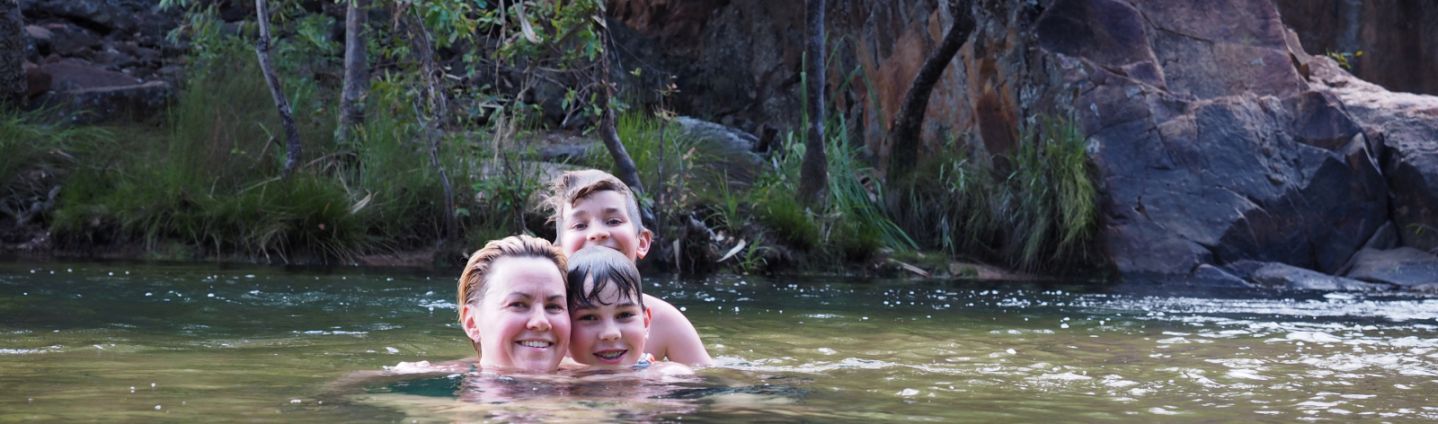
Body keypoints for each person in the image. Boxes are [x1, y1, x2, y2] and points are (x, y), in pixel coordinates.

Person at [546, 169, 713, 366]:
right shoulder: (547, 320)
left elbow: (709, 382)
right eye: (580, 225)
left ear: (641, 242)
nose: (598, 233)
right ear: (558, 252)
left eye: (613, 221)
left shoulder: (666, 321)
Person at [455, 234, 571, 373]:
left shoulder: (596, 380)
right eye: (518, 304)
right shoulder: (429, 386)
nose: (541, 322)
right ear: (472, 323)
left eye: (554, 307)